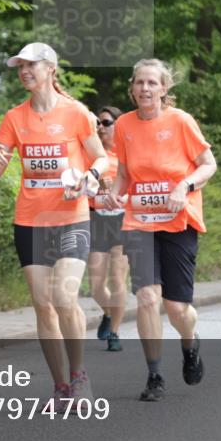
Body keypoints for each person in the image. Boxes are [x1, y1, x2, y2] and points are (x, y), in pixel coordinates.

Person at [0, 42, 107, 410]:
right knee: (42, 305)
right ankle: (60, 384)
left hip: (71, 219)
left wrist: (90, 175)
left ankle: (80, 374)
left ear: (51, 68)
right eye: (19, 66)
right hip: (30, 221)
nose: (24, 71)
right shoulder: (14, 118)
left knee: (64, 297)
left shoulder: (77, 113)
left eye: (31, 65)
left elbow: (101, 157)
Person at [105, 58, 217, 402]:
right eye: (139, 83)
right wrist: (114, 191)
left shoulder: (180, 121)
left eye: (152, 83)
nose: (145, 89)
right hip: (139, 222)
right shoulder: (123, 125)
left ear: (164, 89)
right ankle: (154, 375)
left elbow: (208, 165)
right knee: (147, 298)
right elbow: (125, 173)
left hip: (178, 221)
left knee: (177, 309)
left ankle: (189, 342)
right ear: (132, 87)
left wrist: (184, 186)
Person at [88, 105, 130, 352]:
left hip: (123, 221)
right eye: (98, 124)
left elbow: (138, 183)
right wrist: (94, 185)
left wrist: (115, 186)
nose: (101, 128)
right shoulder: (92, 156)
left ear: (117, 125)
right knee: (95, 285)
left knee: (117, 279)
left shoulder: (127, 154)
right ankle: (108, 313)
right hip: (97, 221)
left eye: (105, 122)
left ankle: (114, 332)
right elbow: (79, 186)